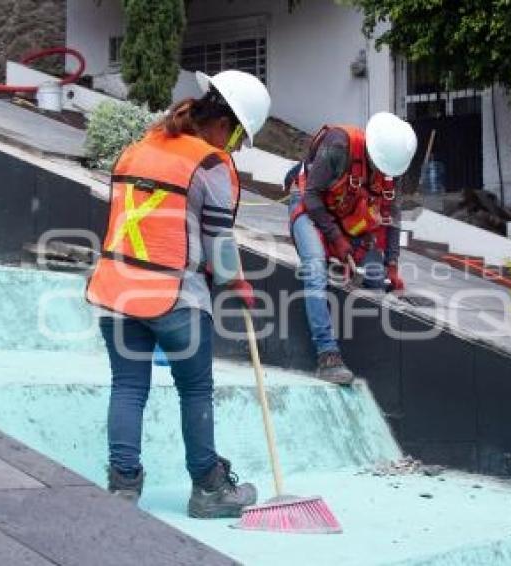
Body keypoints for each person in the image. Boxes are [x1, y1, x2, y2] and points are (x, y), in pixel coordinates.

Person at [86, 69, 270, 518]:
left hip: (116, 290)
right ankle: (208, 489)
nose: (237, 150)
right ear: (224, 126)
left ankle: (123, 486)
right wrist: (236, 284)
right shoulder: (210, 163)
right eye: (240, 139)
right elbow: (219, 245)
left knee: (127, 386)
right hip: (176, 298)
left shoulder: (138, 147)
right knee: (196, 391)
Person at [287, 112, 417, 385]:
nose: (384, 175)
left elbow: (391, 217)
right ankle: (327, 354)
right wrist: (337, 240)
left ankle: (340, 259)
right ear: (371, 150)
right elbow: (311, 195)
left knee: (375, 279)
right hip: (309, 205)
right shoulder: (340, 145)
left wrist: (391, 265)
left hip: (345, 216)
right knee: (314, 267)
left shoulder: (391, 168)